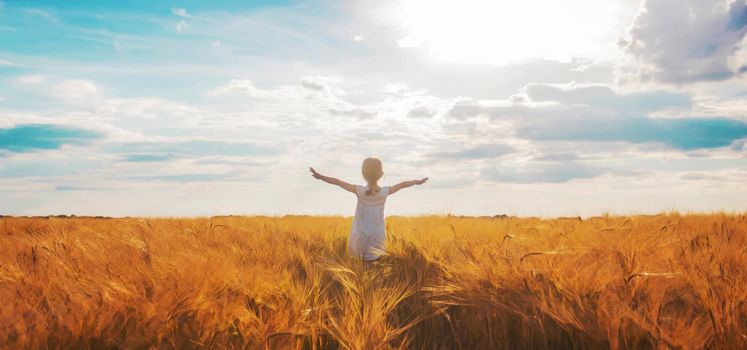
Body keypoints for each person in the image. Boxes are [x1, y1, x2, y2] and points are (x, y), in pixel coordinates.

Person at [309, 157, 428, 262]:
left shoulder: (359, 190)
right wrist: (417, 182)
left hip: (360, 235)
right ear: (381, 174)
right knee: (376, 268)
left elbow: (338, 182)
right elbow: (403, 184)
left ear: (363, 174)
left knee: (361, 268)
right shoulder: (385, 192)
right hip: (377, 235)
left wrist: (320, 177)